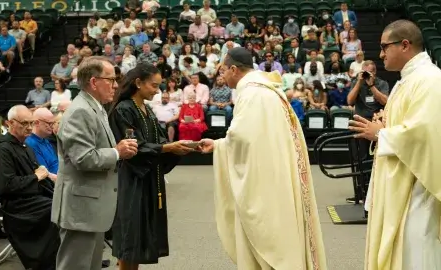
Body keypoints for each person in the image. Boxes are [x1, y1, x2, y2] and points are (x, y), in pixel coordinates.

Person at [198, 48, 328, 270]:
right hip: (277, 170)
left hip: (266, 179)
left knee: (269, 236)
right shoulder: (267, 89)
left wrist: (222, 145)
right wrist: (219, 145)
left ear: (233, 69)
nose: (221, 76)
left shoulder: (251, 93)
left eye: (222, 70)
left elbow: (241, 137)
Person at [349, 20, 441, 270]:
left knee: (415, 247)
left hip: (416, 186)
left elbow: (425, 132)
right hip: (401, 179)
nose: (380, 55)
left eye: (384, 47)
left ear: (404, 45)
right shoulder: (406, 81)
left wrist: (381, 134)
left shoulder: (430, 79)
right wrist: (386, 122)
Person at [52, 56, 138, 270]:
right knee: (75, 266)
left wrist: (115, 150)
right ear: (93, 82)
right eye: (110, 80)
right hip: (81, 208)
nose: (116, 85)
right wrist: (116, 152)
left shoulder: (94, 107)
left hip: (91, 206)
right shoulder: (80, 111)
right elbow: (84, 158)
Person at [107, 63, 194, 270]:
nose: (157, 91)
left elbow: (160, 141)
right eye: (154, 86)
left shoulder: (146, 109)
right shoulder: (124, 109)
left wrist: (176, 149)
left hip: (149, 180)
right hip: (133, 180)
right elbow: (134, 147)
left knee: (140, 238)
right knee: (131, 238)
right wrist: (167, 148)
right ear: (138, 83)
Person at [0, 105, 60, 270]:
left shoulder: (24, 146)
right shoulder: (1, 149)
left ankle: (69, 259)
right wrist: (36, 176)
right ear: (10, 123)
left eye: (31, 123)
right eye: (24, 123)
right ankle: (49, 263)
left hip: (31, 198)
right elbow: (6, 186)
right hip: (17, 207)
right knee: (58, 208)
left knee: (65, 200)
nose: (29, 127)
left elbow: (40, 175)